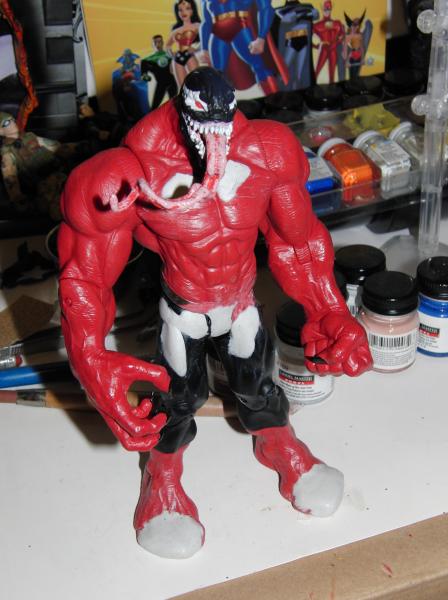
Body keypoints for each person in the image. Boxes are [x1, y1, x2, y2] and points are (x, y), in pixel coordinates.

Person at [58, 67, 372, 559]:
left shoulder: (267, 151)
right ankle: (162, 476)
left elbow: (298, 240)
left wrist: (328, 307)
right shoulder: (128, 172)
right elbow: (85, 276)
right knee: (178, 399)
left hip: (241, 302)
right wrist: (88, 355)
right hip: (183, 311)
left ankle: (277, 442)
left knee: (258, 383)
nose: (215, 141)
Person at [200, 0, 288, 95]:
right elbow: (206, 21)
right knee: (217, 75)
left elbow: (266, 8)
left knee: (259, 66)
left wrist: (261, 37)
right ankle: (221, 103)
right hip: (217, 34)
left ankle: (275, 98)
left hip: (240, 29)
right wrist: (204, 48)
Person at [165, 0, 201, 89]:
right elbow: (167, 46)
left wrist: (196, 48)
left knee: (197, 83)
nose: (183, 12)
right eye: (180, 10)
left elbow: (205, 41)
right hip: (177, 58)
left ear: (192, 10)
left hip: (190, 55)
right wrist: (171, 54)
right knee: (182, 87)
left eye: (187, 8)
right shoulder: (175, 30)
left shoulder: (197, 26)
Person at [141, 35, 178, 109]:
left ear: (162, 43)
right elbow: (143, 75)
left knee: (175, 105)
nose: (157, 44)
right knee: (154, 107)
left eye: (160, 42)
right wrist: (147, 78)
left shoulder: (170, 55)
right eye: (155, 42)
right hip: (161, 84)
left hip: (172, 83)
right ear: (152, 44)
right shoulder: (147, 60)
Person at [312, 0, 345, 83]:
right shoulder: (317, 25)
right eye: (325, 9)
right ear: (322, 9)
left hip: (333, 50)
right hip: (324, 49)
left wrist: (336, 43)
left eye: (328, 9)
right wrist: (317, 46)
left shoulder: (337, 23)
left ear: (331, 9)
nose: (327, 11)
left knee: (332, 74)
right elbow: (308, 38)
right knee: (317, 71)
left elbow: (343, 35)